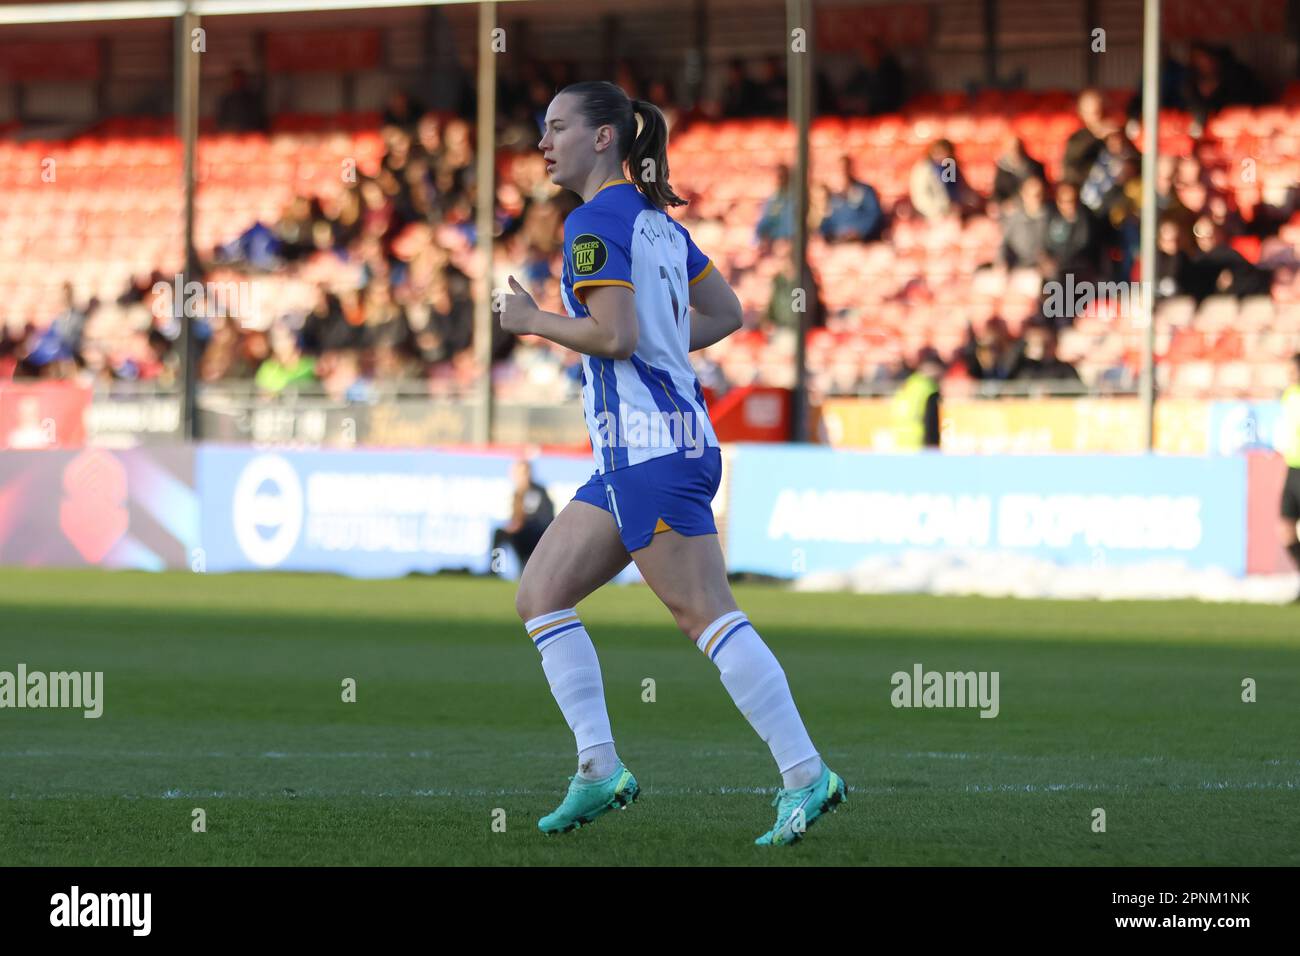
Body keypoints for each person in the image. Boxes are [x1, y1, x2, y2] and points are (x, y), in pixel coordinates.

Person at [497, 80, 845, 846]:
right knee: (541, 593)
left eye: (556, 128)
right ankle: (597, 769)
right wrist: (657, 336)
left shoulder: (593, 222)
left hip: (651, 453)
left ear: (602, 139)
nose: (543, 142)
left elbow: (615, 337)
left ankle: (805, 774)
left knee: (708, 617)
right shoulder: (655, 221)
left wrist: (533, 321)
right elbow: (725, 312)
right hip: (644, 454)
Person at [492, 460, 555, 575]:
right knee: (499, 533)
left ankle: (525, 569)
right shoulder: (517, 493)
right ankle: (495, 569)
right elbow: (515, 517)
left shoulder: (538, 491)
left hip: (536, 532)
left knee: (519, 535)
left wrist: (522, 525)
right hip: (520, 532)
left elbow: (545, 517)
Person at [890, 349, 943, 451]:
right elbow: (931, 421)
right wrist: (933, 447)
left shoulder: (909, 384)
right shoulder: (929, 389)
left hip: (901, 441)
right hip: (920, 442)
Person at [1279, 353, 1300, 603]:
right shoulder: (1289, 395)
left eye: (1293, 370)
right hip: (1292, 467)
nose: (1290, 374)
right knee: (1286, 530)